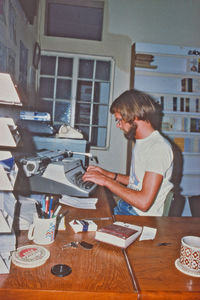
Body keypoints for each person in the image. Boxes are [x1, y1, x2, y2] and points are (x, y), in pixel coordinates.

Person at [82, 89, 174, 216]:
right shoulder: (143, 142)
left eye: (119, 120)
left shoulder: (158, 148)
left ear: (134, 116)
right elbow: (136, 181)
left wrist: (106, 181)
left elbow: (143, 202)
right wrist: (107, 174)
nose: (118, 125)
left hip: (140, 216)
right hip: (127, 207)